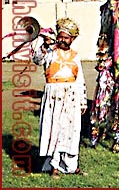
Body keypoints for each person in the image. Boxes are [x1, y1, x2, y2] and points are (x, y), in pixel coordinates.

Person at [32, 17, 87, 178]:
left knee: (71, 130)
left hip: (71, 97)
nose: (62, 40)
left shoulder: (76, 56)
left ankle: (70, 166)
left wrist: (82, 101)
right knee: (55, 129)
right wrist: (44, 47)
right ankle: (54, 165)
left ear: (72, 39)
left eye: (66, 38)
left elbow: (80, 80)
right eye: (60, 36)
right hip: (53, 97)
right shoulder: (50, 53)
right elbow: (37, 60)